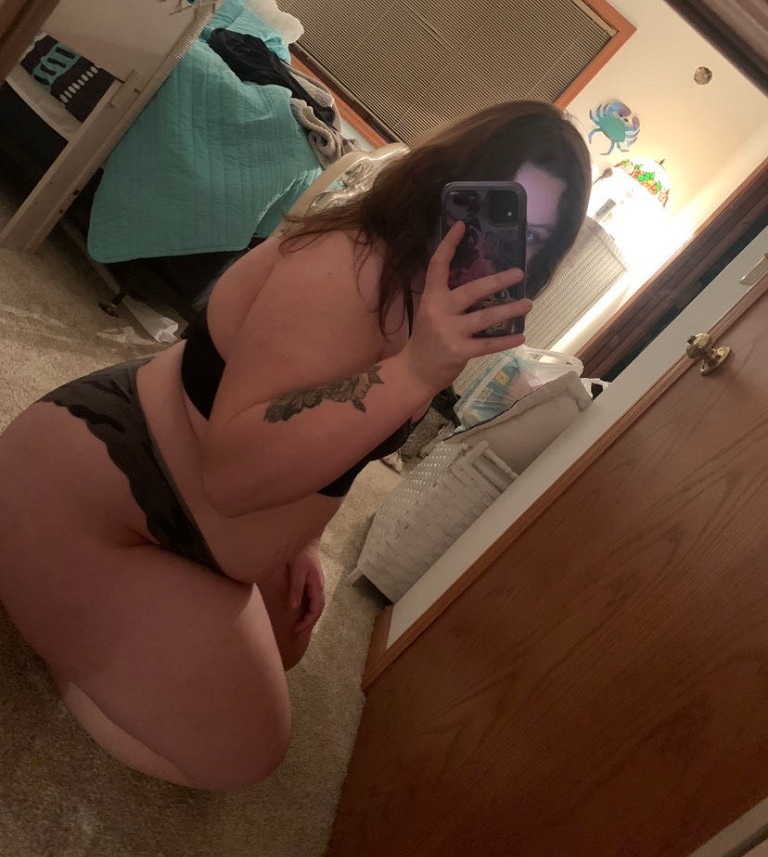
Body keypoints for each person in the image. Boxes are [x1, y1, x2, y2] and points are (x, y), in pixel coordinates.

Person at [0, 99, 591, 791]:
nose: (495, 251)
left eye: (529, 236)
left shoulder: (428, 303)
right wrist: (411, 373)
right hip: (99, 499)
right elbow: (231, 477)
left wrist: (301, 540)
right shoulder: (351, 266)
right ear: (444, 185)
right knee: (244, 755)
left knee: (286, 644)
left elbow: (335, 432)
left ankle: (95, 629)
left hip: (188, 518)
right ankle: (60, 629)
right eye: (491, 212)